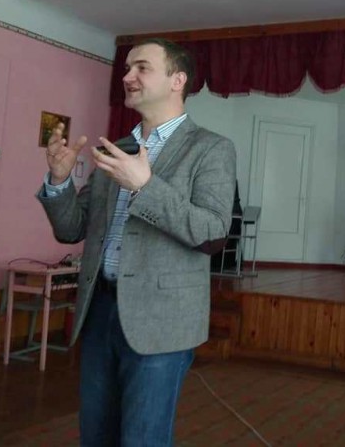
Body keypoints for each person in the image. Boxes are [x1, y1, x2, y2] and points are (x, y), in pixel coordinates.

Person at [37, 38, 236, 446]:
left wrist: (145, 186)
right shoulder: (118, 149)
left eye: (142, 67)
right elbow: (72, 229)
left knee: (142, 439)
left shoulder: (211, 148)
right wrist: (59, 181)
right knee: (95, 435)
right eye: (127, 68)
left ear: (177, 80)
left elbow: (213, 233)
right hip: (99, 311)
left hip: (161, 321)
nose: (128, 76)